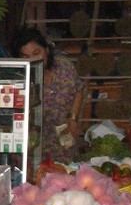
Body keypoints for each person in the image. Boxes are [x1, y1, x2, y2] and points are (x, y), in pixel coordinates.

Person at [12, 27, 83, 162]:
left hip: (63, 135)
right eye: (25, 57)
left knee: (66, 174)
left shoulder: (64, 68)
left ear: (47, 50)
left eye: (36, 53)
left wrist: (73, 118)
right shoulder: (19, 81)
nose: (33, 60)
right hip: (34, 145)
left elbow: (79, 89)